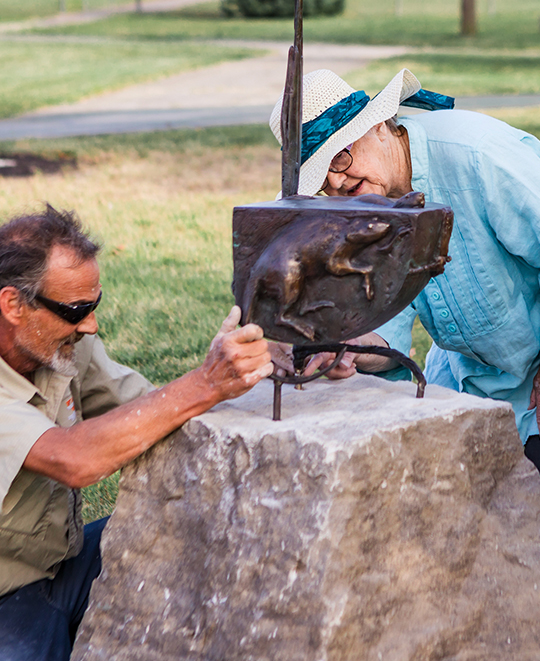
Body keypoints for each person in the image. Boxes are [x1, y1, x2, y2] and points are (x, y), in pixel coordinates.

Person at [0, 205, 273, 660]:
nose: (91, 325)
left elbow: (148, 408)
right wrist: (205, 383)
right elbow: (74, 458)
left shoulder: (61, 345)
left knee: (191, 526)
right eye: (76, 310)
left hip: (57, 563)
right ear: (12, 305)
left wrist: (254, 362)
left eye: (94, 305)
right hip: (6, 594)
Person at [269, 68, 540, 471]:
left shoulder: (480, 156)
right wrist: (344, 348)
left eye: (340, 157)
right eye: (321, 179)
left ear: (378, 124)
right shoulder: (366, 207)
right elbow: (388, 337)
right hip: (469, 385)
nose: (337, 182)